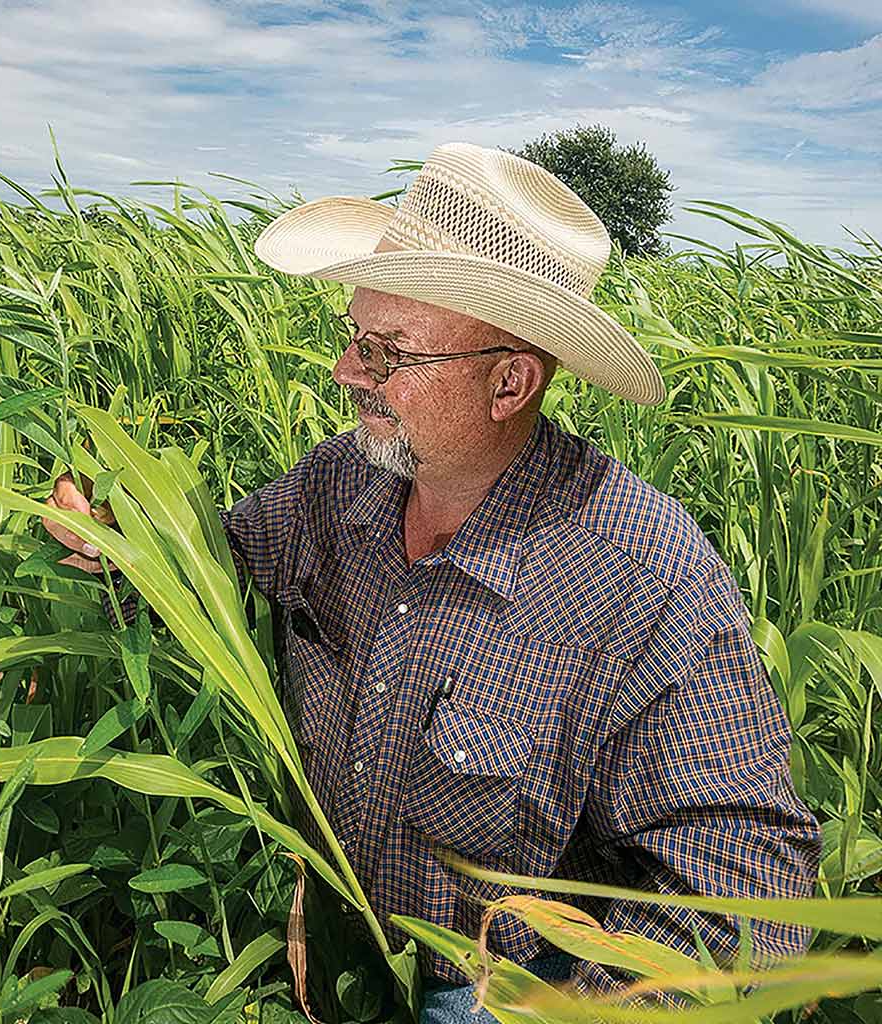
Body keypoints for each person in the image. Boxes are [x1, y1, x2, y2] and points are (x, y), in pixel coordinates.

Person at [44, 142, 822, 1022]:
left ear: (509, 383)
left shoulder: (641, 577)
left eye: (388, 353)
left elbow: (746, 877)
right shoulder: (341, 482)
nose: (346, 372)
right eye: (352, 337)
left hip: (500, 997)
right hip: (337, 940)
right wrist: (128, 547)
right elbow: (220, 577)